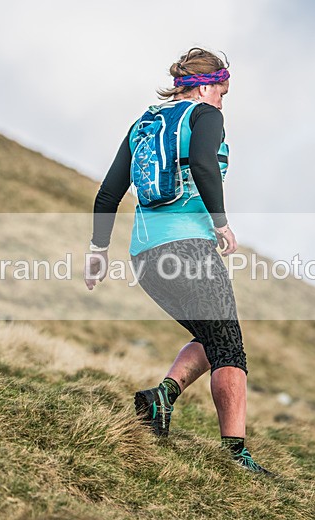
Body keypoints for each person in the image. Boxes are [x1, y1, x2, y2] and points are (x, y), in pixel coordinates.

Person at [85, 47, 272, 475]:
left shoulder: (144, 125)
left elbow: (108, 193)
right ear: (206, 87)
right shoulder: (205, 117)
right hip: (191, 250)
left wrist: (98, 251)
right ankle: (235, 455)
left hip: (146, 259)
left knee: (212, 335)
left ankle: (161, 399)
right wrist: (221, 224)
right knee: (231, 351)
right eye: (222, 92)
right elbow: (205, 165)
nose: (223, 101)